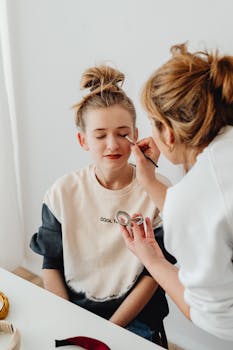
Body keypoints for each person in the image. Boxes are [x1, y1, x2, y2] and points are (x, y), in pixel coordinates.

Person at [30, 65, 175, 347]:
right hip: (74, 308)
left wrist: (108, 332)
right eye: (100, 135)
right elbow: (51, 264)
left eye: (122, 133)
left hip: (136, 318)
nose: (113, 144)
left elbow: (155, 273)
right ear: (83, 140)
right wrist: (71, 323)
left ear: (135, 134)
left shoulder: (158, 191)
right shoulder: (62, 193)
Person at [120, 43, 233, 341]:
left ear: (168, 133)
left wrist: (155, 262)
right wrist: (150, 182)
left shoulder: (195, 197)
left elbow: (221, 318)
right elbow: (212, 212)